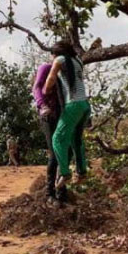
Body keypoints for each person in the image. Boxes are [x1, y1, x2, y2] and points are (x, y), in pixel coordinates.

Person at [43, 40, 91, 189]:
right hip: (85, 105)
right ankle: (82, 172)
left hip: (73, 105)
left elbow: (51, 78)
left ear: (55, 53)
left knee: (57, 139)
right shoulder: (77, 60)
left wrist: (45, 91)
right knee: (76, 140)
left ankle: (65, 173)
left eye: (51, 55)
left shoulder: (60, 59)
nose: (51, 59)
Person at [33, 59, 68, 206]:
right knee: (54, 154)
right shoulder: (46, 68)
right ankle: (49, 194)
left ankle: (62, 192)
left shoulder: (66, 74)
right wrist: (42, 105)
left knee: (64, 152)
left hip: (62, 115)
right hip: (48, 115)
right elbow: (37, 87)